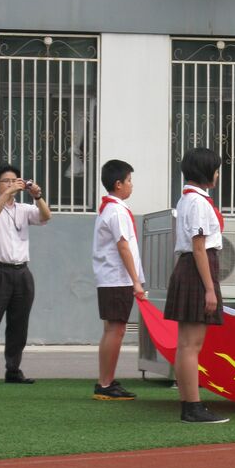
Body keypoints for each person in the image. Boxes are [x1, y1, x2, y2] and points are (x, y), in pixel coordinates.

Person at [164, 147, 229, 424]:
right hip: (197, 269)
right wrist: (210, 288)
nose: (217, 174)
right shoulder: (199, 203)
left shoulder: (188, 200)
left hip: (190, 268)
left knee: (185, 344)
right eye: (215, 169)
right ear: (206, 172)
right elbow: (200, 247)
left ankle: (188, 403)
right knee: (191, 344)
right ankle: (192, 406)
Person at [0, 164, 51, 384]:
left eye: (14, 180)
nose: (11, 184)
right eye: (6, 181)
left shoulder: (24, 208)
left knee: (19, 324)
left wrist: (38, 196)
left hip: (22, 272)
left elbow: (46, 216)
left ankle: (13, 369)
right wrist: (8, 192)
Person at [91, 160, 145, 401]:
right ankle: (105, 383)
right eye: (129, 180)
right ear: (118, 184)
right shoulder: (117, 211)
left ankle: (106, 379)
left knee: (112, 329)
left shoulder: (110, 209)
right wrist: (135, 281)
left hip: (111, 278)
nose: (132, 185)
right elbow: (123, 246)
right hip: (117, 279)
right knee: (116, 330)